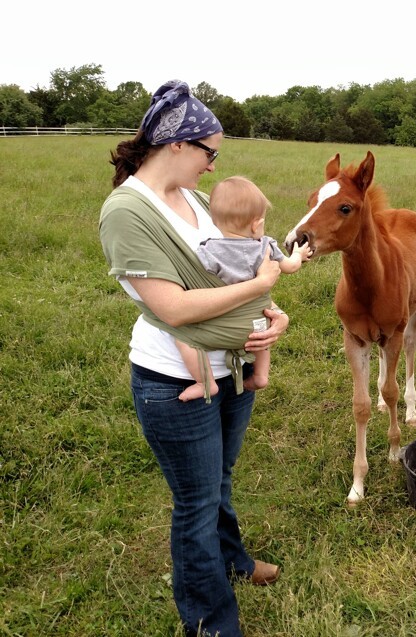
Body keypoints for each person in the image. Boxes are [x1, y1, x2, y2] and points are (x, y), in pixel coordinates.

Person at [99, 80, 286, 637]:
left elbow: (236, 266)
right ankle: (210, 621)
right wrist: (266, 283)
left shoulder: (199, 202)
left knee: (220, 479)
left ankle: (235, 561)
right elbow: (173, 307)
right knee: (196, 502)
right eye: (211, 152)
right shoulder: (127, 211)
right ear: (177, 145)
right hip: (171, 377)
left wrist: (273, 312)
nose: (213, 167)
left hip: (228, 370)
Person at [175, 175, 313, 402]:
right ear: (256, 225)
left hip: (220, 326)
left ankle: (204, 382)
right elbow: (290, 267)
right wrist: (298, 254)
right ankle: (260, 376)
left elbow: (196, 279)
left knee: (182, 337)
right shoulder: (266, 247)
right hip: (257, 326)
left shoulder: (207, 250)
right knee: (264, 335)